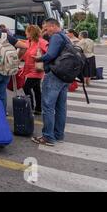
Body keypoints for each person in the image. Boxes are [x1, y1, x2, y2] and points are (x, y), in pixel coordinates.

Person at [32, 18, 70, 146]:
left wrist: (39, 58)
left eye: (46, 28)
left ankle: (48, 137)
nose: (45, 31)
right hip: (65, 76)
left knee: (48, 106)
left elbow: (51, 55)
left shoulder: (56, 37)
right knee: (61, 107)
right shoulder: (66, 37)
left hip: (54, 75)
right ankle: (59, 135)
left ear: (53, 26)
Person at [22, 25, 48, 116]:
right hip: (28, 68)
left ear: (31, 32)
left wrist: (41, 57)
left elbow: (49, 54)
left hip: (37, 69)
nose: (25, 33)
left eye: (27, 32)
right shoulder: (28, 41)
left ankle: (30, 107)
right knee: (36, 89)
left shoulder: (42, 42)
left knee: (26, 87)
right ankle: (38, 109)